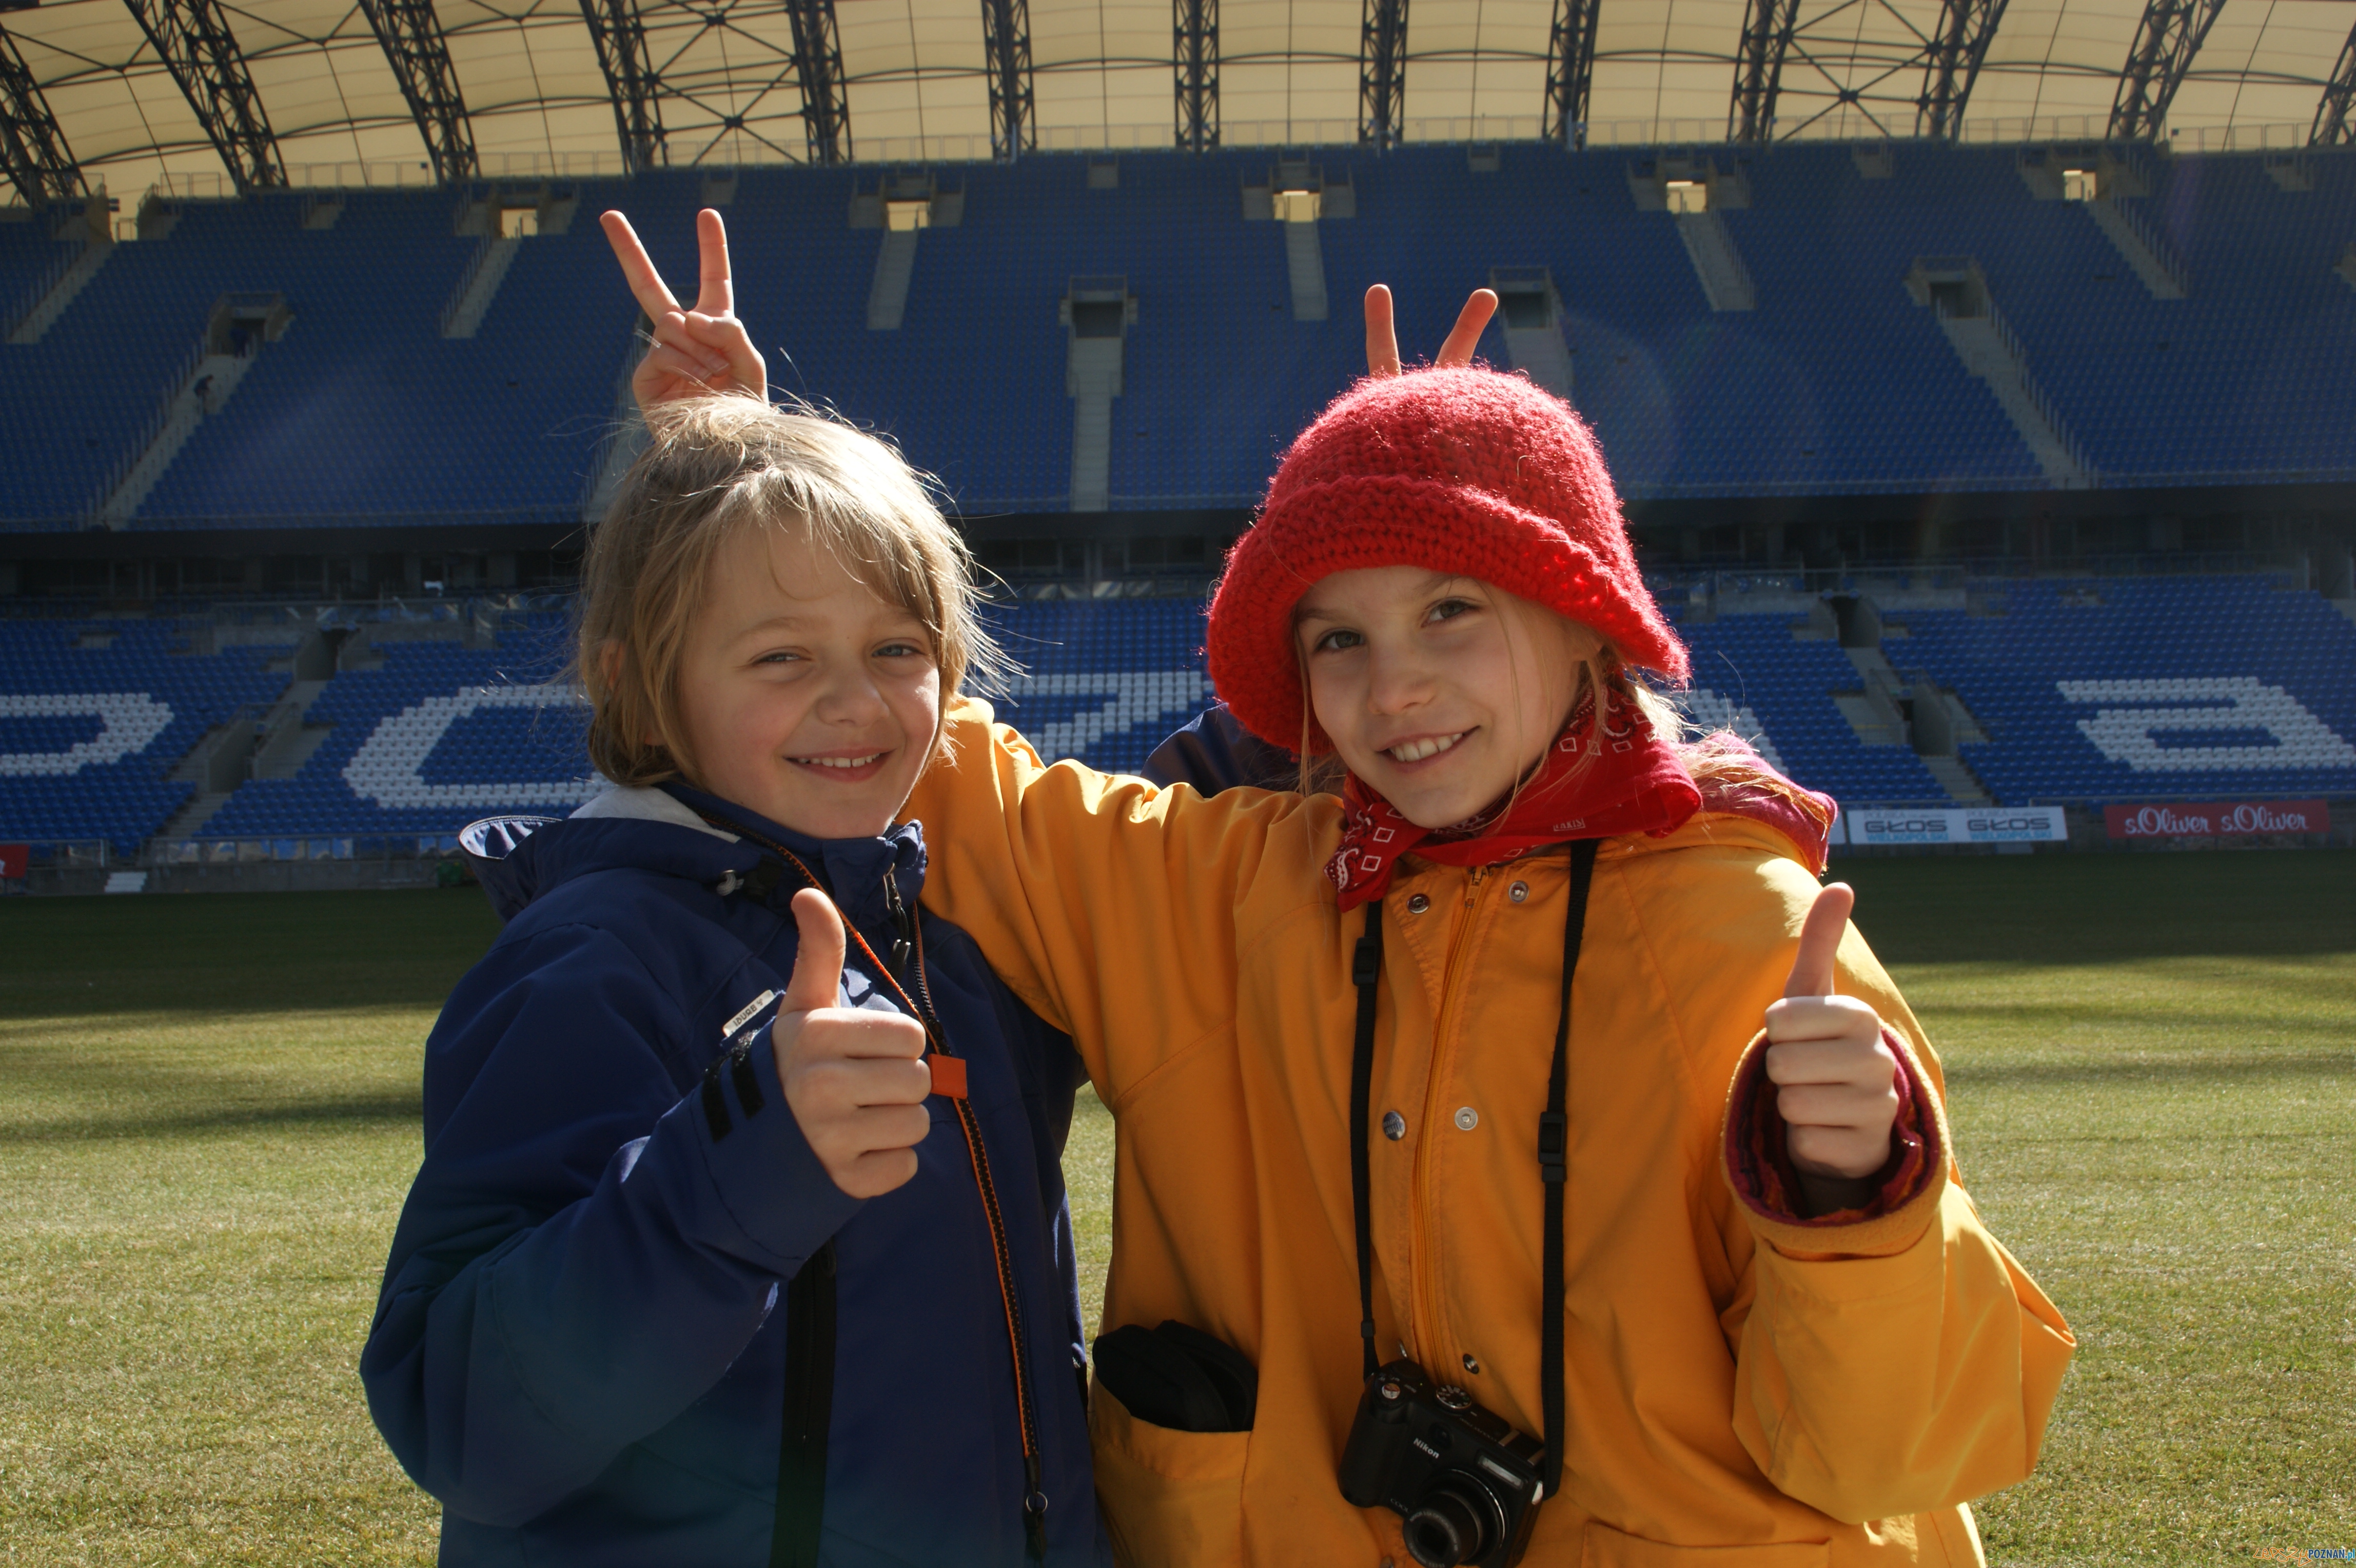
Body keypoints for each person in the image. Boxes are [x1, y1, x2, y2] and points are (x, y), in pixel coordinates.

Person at [898, 338, 2076, 1562]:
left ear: (1585, 622)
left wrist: (1854, 1206)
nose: (1394, 685)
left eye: (1449, 609)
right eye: (1337, 639)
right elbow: (931, 772)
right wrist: (737, 480)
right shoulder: (1225, 888)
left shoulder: (1750, 939)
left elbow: (1895, 1457)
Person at [358, 210, 1112, 1567]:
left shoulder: (953, 934)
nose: (854, 700)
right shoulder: (597, 963)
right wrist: (747, 1163)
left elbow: (1215, 824)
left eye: (898, 644)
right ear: (636, 679)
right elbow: (462, 1413)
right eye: (780, 658)